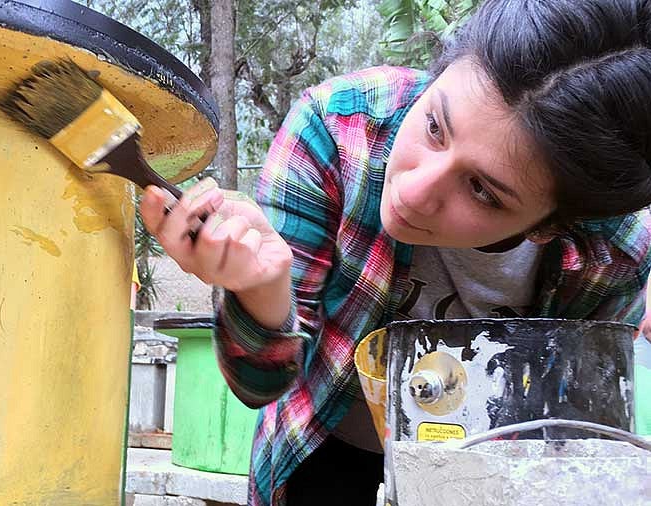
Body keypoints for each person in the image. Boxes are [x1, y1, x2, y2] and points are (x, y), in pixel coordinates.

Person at [140, 0, 651, 504]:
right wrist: (259, 290)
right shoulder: (336, 131)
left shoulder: (613, 253)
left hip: (495, 479)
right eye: (434, 127)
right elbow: (258, 386)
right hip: (325, 453)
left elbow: (581, 452)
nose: (412, 193)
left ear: (551, 225)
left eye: (482, 191)